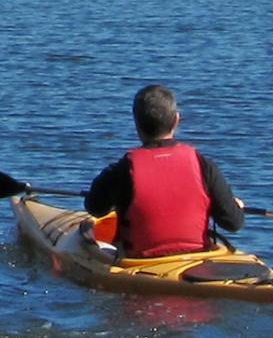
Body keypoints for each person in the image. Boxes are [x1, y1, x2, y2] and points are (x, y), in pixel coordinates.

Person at [85, 84, 244, 256]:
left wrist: (119, 200)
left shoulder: (122, 170)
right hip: (196, 259)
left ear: (136, 124)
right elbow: (233, 223)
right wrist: (235, 206)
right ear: (176, 120)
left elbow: (94, 207)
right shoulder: (204, 165)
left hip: (141, 263)